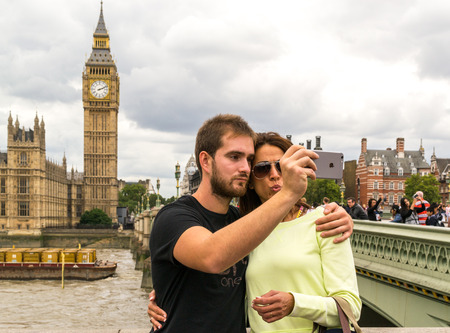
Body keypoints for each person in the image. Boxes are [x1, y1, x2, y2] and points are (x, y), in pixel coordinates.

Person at [148, 115, 354, 332]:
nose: (245, 168)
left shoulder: (243, 221)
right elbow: (212, 256)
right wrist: (289, 193)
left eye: (249, 160)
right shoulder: (173, 218)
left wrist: (343, 216)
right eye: (235, 157)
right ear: (206, 161)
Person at [240, 132, 361, 332]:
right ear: (250, 181)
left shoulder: (325, 221)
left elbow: (351, 309)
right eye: (262, 169)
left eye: (281, 165)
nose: (274, 174)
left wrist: (294, 304)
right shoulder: (244, 230)